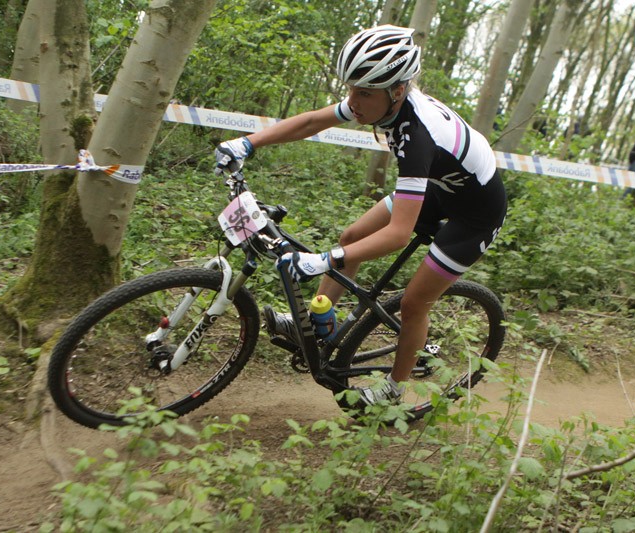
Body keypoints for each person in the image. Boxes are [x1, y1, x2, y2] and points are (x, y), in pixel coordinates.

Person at [214, 25, 507, 407]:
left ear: (398, 90)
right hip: (442, 187)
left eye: (363, 93)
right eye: (351, 88)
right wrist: (247, 143)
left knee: (415, 302)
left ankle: (393, 390)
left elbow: (398, 234)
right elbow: (311, 122)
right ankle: (321, 324)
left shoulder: (417, 136)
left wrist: (323, 260)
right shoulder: (378, 97)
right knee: (352, 237)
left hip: (476, 215)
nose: (353, 101)